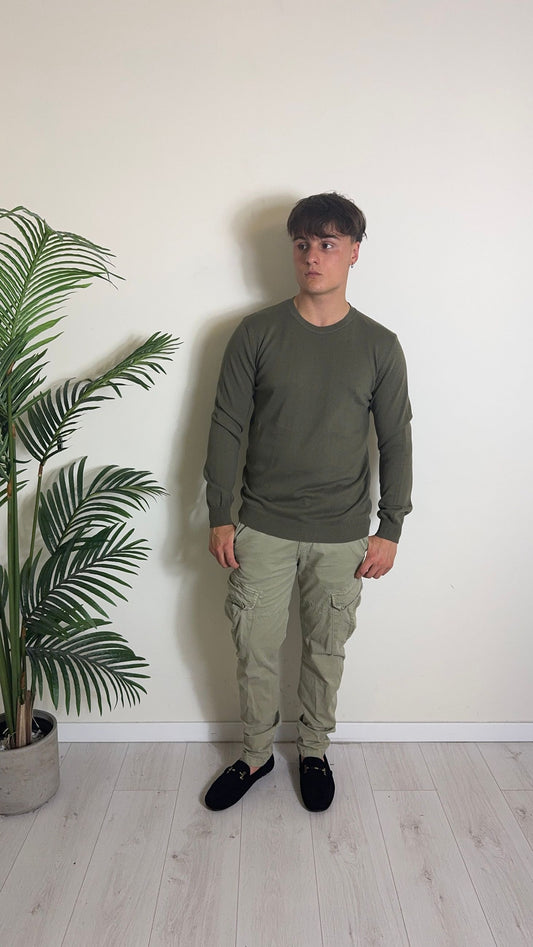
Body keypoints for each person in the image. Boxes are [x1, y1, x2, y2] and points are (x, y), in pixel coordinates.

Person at [203, 192, 412, 812]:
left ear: (353, 252)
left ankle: (314, 750)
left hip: (343, 532)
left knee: (326, 650)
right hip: (261, 525)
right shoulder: (256, 332)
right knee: (255, 650)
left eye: (327, 244)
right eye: (303, 245)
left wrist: (391, 526)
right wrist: (220, 513)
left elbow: (396, 440)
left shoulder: (379, 345)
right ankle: (255, 754)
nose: (313, 257)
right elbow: (226, 425)